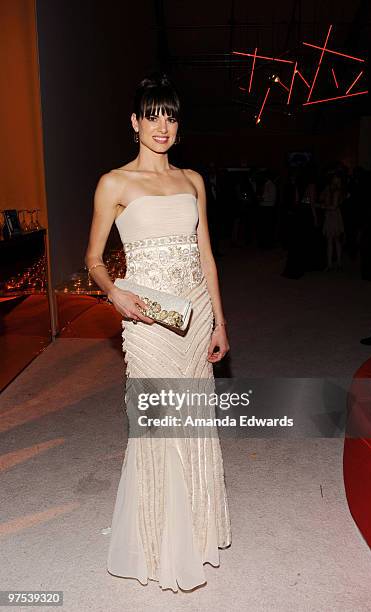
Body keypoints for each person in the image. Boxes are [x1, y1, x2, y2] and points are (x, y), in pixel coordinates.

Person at [84, 72, 231, 592]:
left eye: (170, 115)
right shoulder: (115, 183)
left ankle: (191, 530)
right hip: (147, 316)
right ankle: (158, 541)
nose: (162, 126)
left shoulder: (192, 180)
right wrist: (115, 295)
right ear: (135, 122)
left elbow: (207, 258)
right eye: (153, 115)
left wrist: (219, 320)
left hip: (193, 315)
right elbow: (94, 260)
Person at [320, 172, 345, 271]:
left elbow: (334, 206)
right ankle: (332, 264)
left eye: (337, 178)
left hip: (333, 215)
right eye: (335, 178)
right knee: (332, 240)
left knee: (334, 240)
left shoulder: (337, 191)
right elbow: (321, 197)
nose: (336, 180)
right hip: (331, 215)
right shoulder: (329, 189)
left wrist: (323, 206)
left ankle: (335, 264)